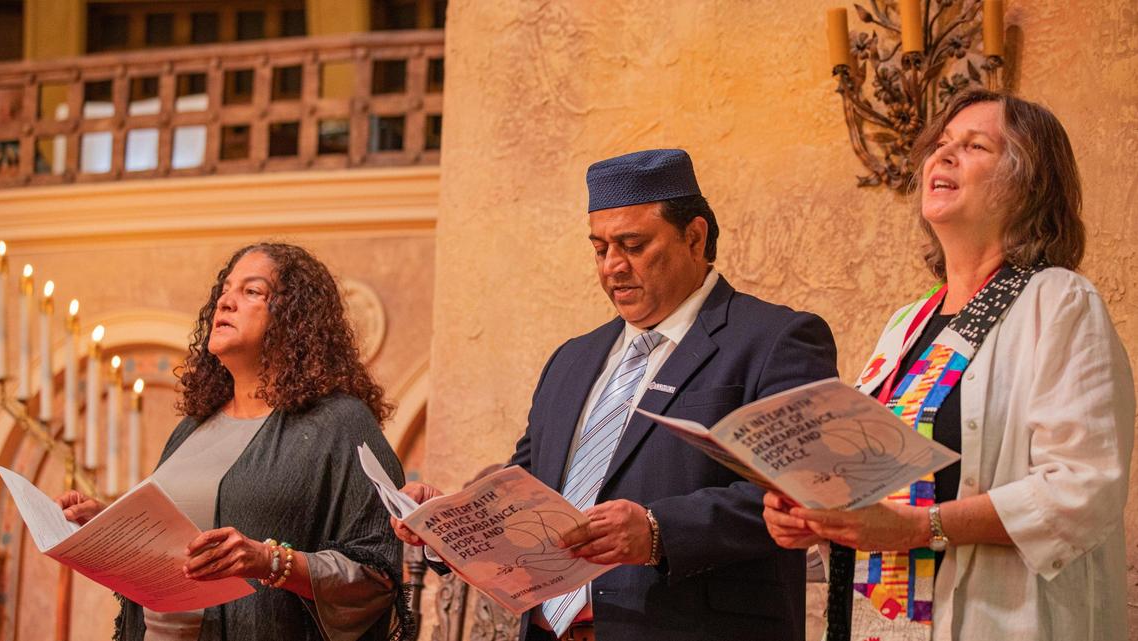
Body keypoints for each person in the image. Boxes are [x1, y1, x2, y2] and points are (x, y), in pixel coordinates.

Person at [394, 149, 839, 641]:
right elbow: (529, 493)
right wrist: (451, 522)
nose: (612, 267)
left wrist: (658, 531)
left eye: (632, 244)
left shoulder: (774, 340)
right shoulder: (572, 360)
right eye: (599, 248)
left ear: (695, 236)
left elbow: (808, 492)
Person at [763, 89, 1134, 641]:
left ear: (1028, 183)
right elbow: (882, 487)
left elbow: (1083, 488)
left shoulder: (1057, 302)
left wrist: (920, 527)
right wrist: (817, 516)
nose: (943, 155)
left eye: (974, 145)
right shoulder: (907, 324)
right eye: (940, 145)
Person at [56, 243, 412, 641]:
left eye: (252, 291)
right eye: (225, 290)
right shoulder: (192, 429)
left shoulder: (339, 424)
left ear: (294, 318)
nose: (226, 301)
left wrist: (270, 561)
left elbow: (377, 576)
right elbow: (175, 556)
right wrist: (111, 528)